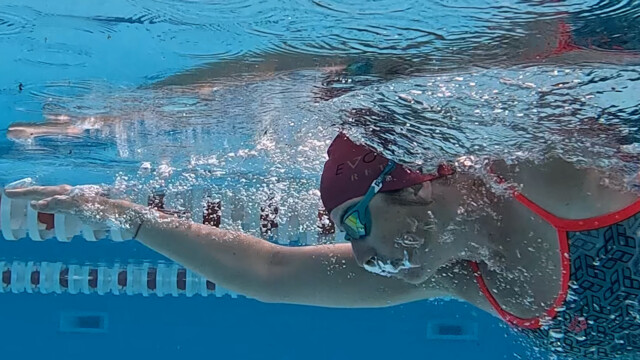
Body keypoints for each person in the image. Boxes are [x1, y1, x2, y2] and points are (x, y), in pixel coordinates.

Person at [4, 132, 640, 358]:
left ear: (412, 191)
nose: (356, 250)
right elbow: (272, 271)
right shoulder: (456, 275)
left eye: (354, 224)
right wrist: (127, 218)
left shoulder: (551, 181)